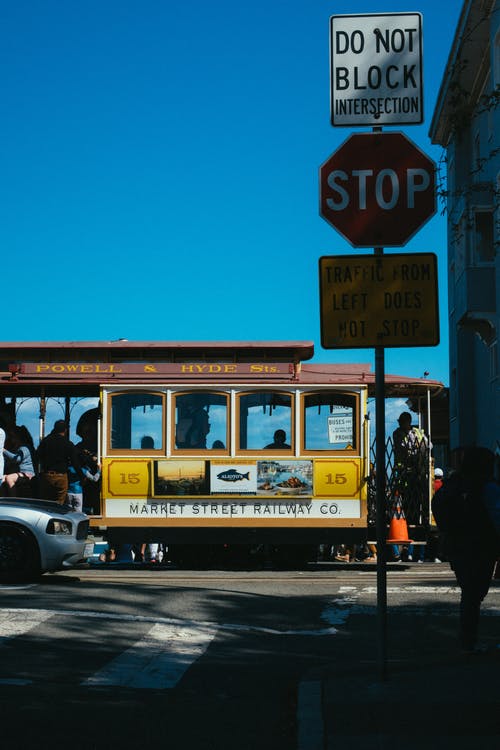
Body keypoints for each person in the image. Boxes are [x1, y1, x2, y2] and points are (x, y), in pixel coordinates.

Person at [432, 446, 500, 654]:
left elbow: (438, 505)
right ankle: (469, 640)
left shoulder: (453, 483)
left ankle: (467, 640)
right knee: (475, 594)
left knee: (469, 593)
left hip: (457, 546)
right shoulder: (486, 487)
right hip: (482, 546)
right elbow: (497, 516)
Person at [36, 420, 84, 504]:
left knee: (46, 502)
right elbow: (75, 463)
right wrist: (82, 477)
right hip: (61, 476)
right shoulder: (68, 443)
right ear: (65, 430)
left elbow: (37, 456)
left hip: (47, 475)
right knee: (59, 503)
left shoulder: (46, 441)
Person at [2, 429, 36, 496]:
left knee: (9, 478)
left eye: (13, 437)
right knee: (2, 478)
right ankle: (3, 501)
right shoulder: (18, 448)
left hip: (28, 474)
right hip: (20, 473)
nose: (12, 439)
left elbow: (17, 459)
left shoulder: (24, 448)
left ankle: (13, 500)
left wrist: (4, 450)